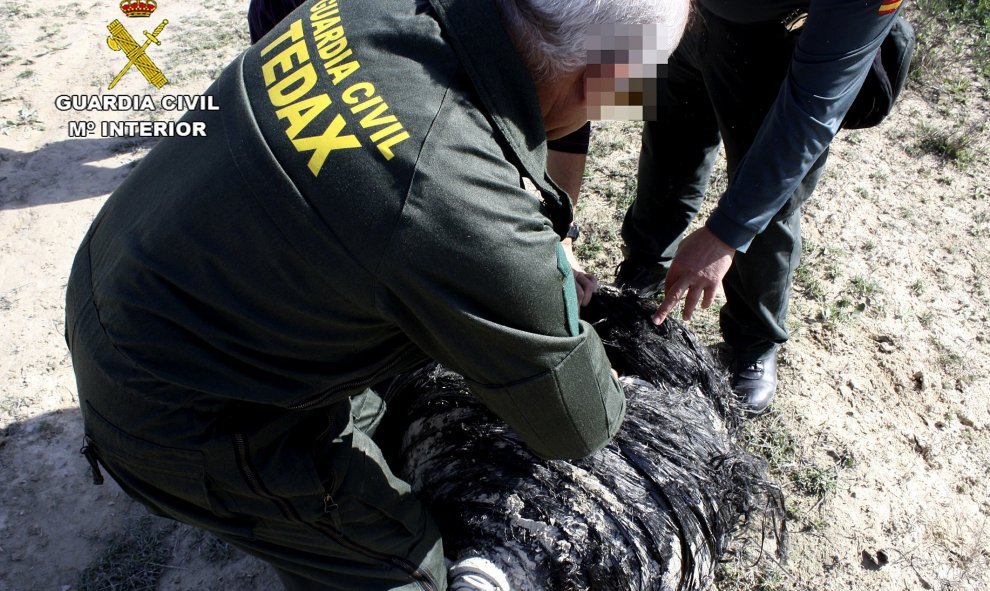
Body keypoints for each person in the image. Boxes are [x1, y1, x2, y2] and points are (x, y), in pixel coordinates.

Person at [65, 1, 688, 590]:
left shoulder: (380, 7)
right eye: (638, 86)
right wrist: (541, 300)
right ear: (602, 80)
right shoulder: (462, 201)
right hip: (170, 406)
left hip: (122, 275)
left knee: (380, 421)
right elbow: (574, 427)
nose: (632, 104)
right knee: (401, 566)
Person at [613, 0, 907, 414]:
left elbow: (810, 111)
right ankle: (642, 269)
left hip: (773, 36)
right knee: (669, 144)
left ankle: (752, 339)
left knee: (766, 181)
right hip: (684, 13)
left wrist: (725, 233)